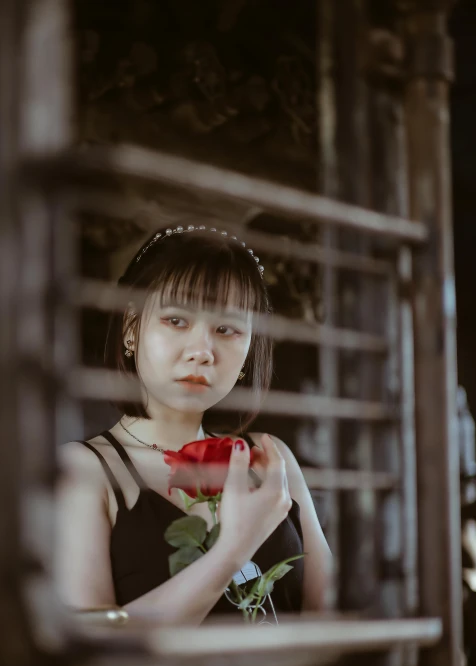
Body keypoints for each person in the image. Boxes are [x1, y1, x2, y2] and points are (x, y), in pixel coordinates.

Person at [56, 225, 332, 626]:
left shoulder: (271, 460)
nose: (202, 352)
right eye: (177, 320)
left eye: (226, 329)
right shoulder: (84, 471)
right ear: (132, 328)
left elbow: (334, 620)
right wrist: (235, 548)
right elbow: (92, 652)